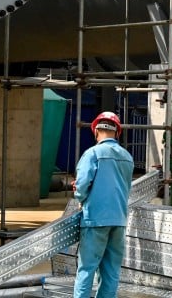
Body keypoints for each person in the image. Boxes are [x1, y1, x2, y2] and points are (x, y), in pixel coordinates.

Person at [73, 111, 134, 298]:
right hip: (119, 221)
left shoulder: (92, 153)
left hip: (95, 220)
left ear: (96, 131)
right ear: (117, 132)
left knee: (87, 269)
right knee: (111, 271)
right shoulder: (127, 157)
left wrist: (80, 197)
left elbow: (82, 185)